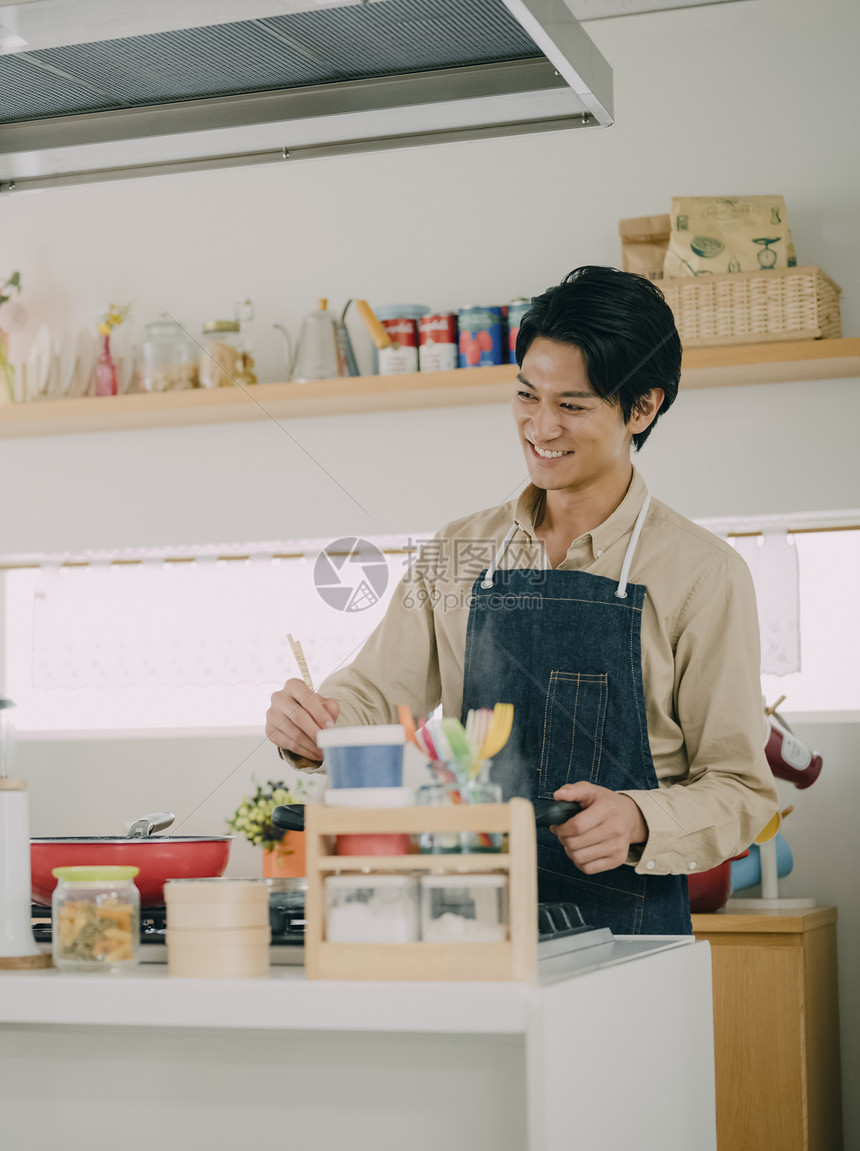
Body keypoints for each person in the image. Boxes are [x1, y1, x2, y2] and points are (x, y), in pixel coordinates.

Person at [266, 266, 778, 935]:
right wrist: (317, 724)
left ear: (643, 406)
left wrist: (641, 817)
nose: (540, 426)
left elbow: (740, 787)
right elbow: (377, 697)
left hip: (627, 935)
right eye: (525, 395)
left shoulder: (704, 575)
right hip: (465, 919)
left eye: (572, 405)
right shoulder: (458, 551)